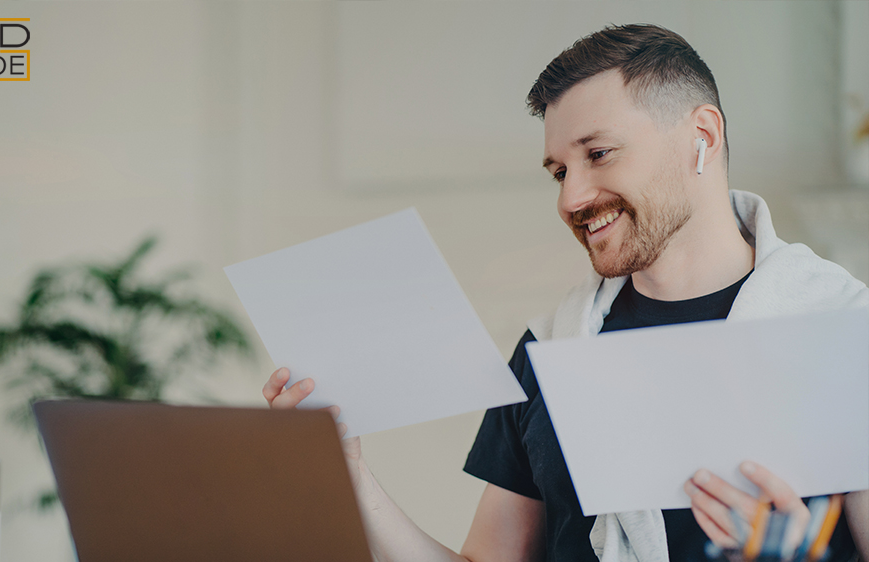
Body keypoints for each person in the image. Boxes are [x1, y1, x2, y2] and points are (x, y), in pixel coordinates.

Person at [262, 24, 869, 562]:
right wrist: (349, 474)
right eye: (559, 171)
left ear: (701, 136)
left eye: (598, 154)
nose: (570, 199)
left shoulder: (842, 336)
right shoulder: (548, 353)